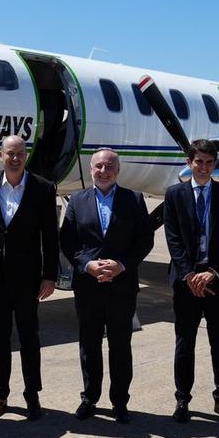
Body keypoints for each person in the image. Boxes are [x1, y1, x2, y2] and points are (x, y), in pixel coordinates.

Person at [0, 135, 59, 421]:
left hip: (28, 278)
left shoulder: (43, 188)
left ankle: (32, 395)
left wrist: (49, 276)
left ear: (26, 155)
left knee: (29, 338)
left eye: (20, 153)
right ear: (0, 155)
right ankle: (0, 393)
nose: (15, 158)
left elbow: (51, 237)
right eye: (10, 153)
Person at [60, 148, 154, 423]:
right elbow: (68, 241)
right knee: (89, 344)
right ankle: (90, 397)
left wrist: (122, 265)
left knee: (120, 345)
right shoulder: (77, 201)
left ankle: (120, 402)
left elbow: (144, 240)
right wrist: (87, 265)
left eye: (109, 166)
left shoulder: (134, 200)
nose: (104, 171)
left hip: (121, 286)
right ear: (91, 169)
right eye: (99, 166)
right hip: (88, 286)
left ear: (118, 170)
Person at [163, 139, 219, 424]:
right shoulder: (173, 195)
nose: (204, 167)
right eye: (199, 162)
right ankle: (182, 399)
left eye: (210, 162)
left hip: (217, 281)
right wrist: (189, 274)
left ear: (215, 164)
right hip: (186, 283)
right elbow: (172, 238)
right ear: (189, 163)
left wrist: (214, 271)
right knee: (185, 343)